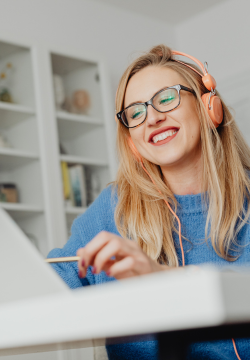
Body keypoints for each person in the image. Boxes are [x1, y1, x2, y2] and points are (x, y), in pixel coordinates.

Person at [47, 44, 250, 360]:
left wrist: (167, 281)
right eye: (136, 113)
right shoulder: (111, 210)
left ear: (209, 106)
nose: (152, 118)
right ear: (133, 140)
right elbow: (50, 291)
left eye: (166, 98)